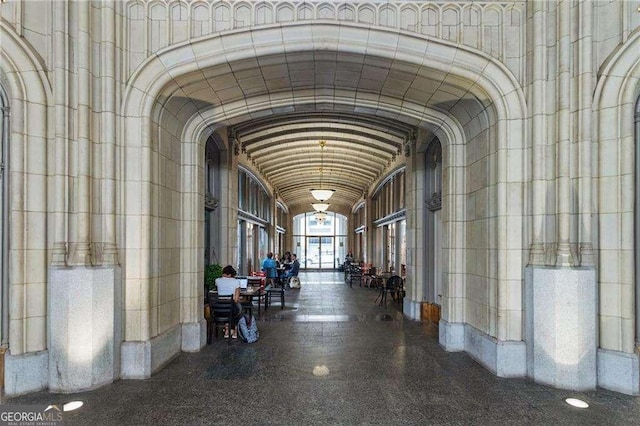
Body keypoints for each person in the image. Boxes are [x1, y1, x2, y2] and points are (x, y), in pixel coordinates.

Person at [214, 265, 243, 338]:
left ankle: (227, 330)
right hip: (231, 310)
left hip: (218, 309)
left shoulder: (217, 280)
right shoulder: (236, 282)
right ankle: (235, 332)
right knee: (238, 308)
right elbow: (236, 299)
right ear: (231, 274)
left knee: (227, 309)